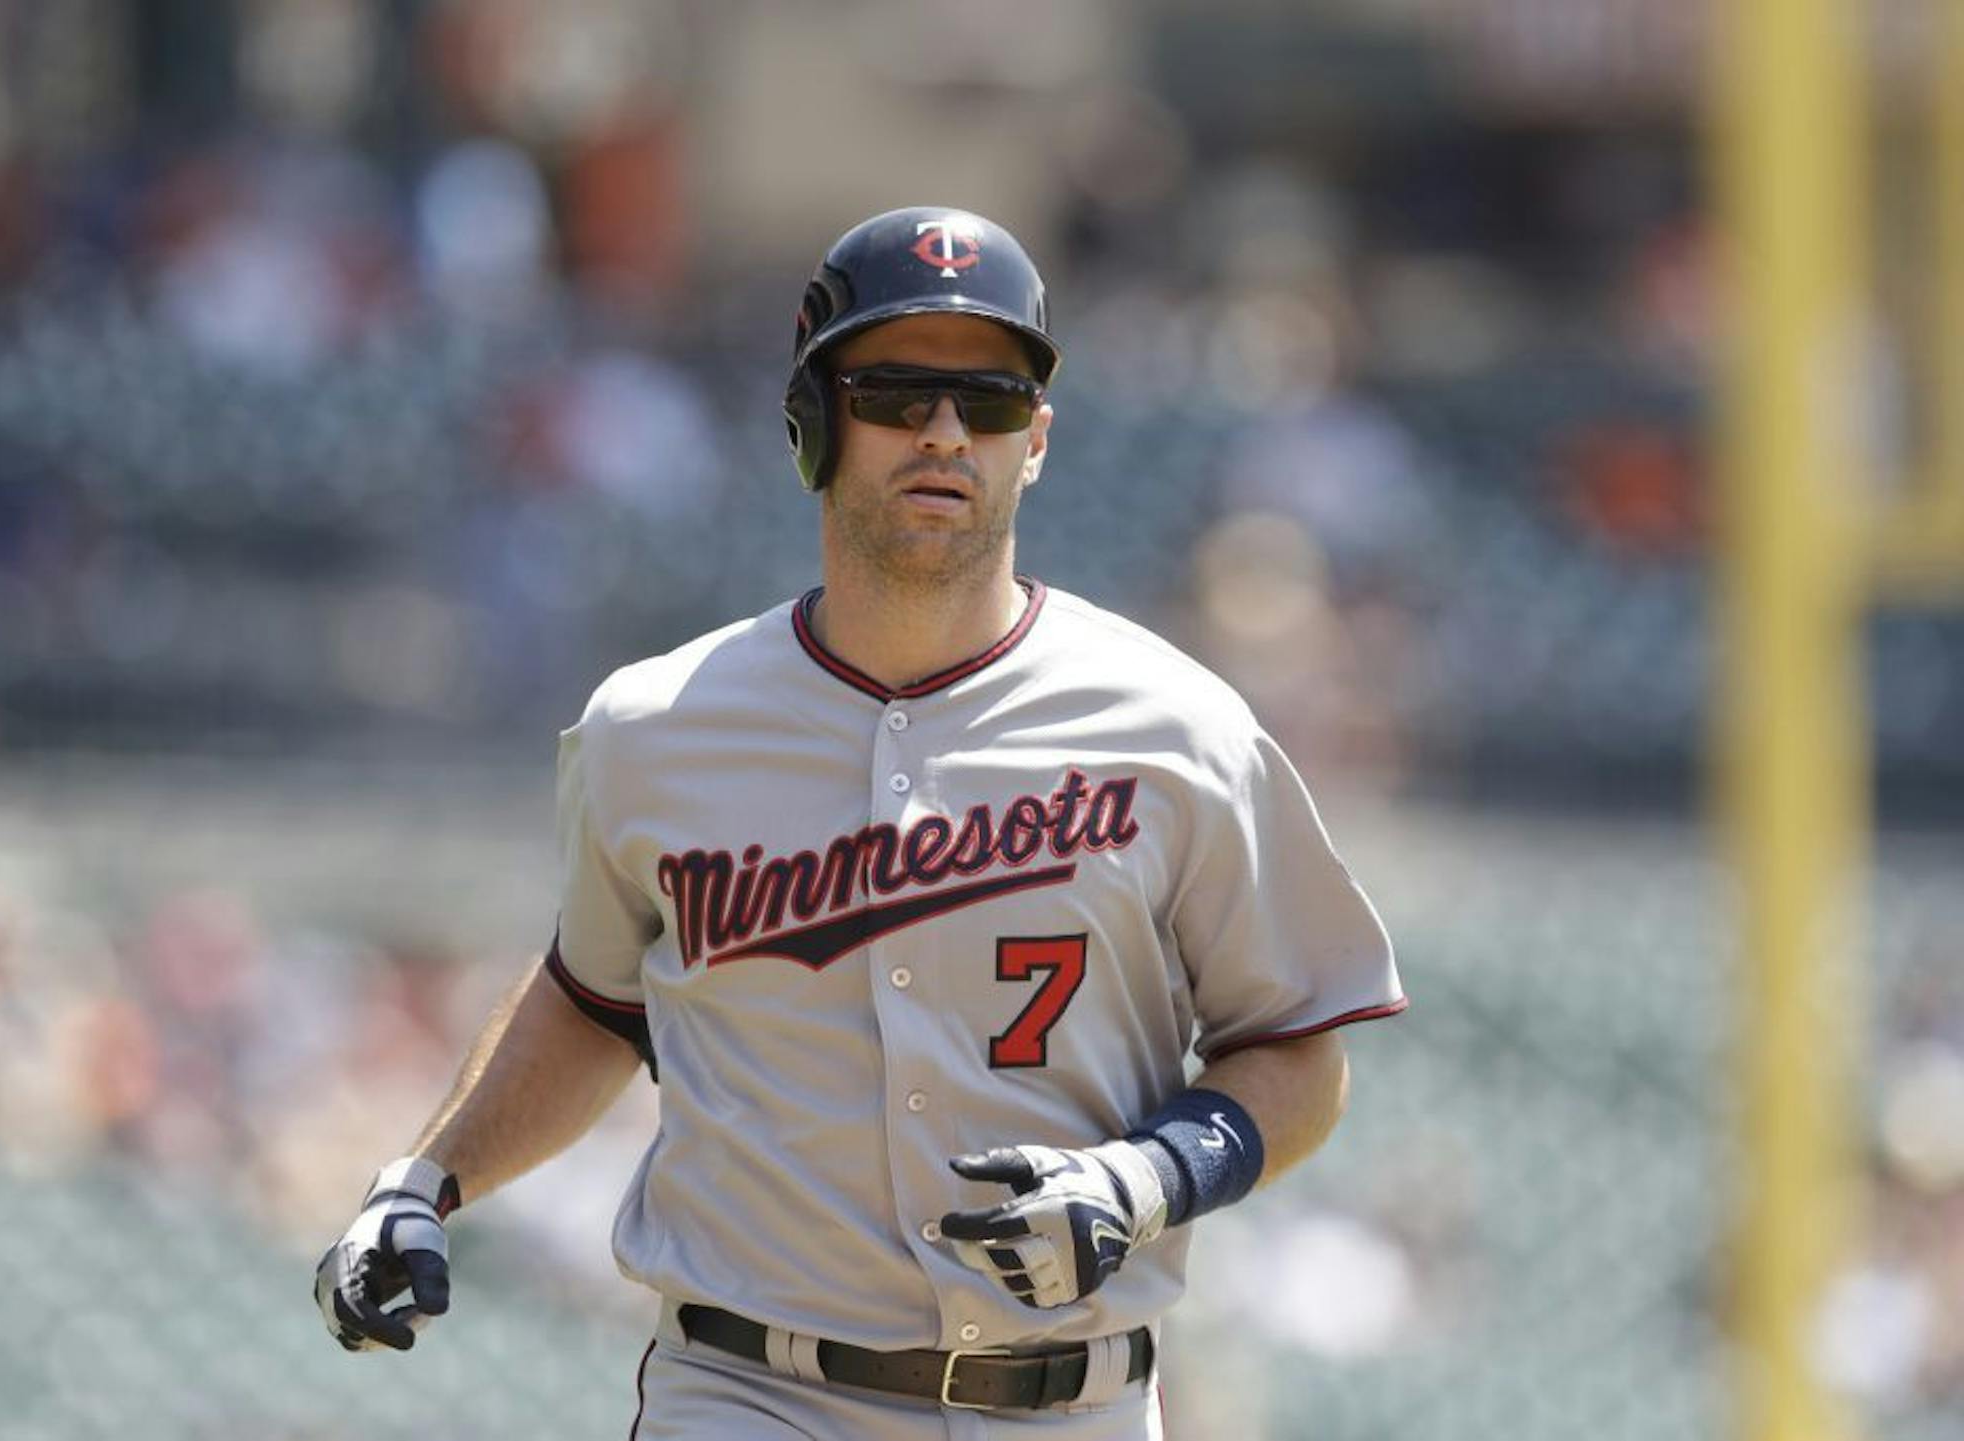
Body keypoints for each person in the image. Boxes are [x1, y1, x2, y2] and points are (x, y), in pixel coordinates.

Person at [313, 206, 1405, 1438]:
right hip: (749, 1391)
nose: (945, 432)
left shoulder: (1176, 727)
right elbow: (597, 998)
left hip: (1072, 1403)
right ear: (811, 423)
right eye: (895, 389)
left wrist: (1146, 1176)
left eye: (988, 400)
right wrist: (428, 1177)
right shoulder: (659, 724)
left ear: (1034, 441)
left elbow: (1302, 1052)